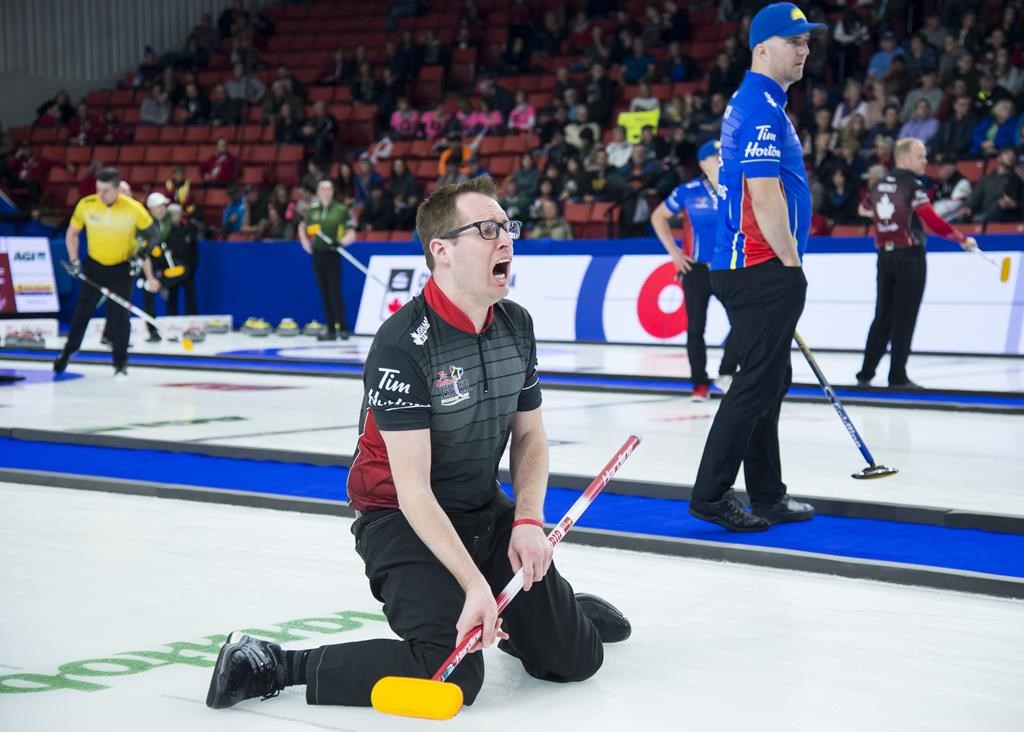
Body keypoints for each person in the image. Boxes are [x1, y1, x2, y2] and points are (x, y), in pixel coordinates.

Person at [206, 176, 630, 711]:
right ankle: (275, 664)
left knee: (577, 661)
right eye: (488, 230)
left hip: (480, 508)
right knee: (449, 671)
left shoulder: (516, 326)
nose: (506, 240)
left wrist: (527, 520)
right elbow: (413, 491)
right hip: (400, 519)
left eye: (508, 228)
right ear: (442, 250)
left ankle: (546, 619)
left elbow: (529, 436)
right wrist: (474, 585)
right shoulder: (402, 345)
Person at [689, 3, 824, 533]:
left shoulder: (759, 102)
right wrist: (790, 264)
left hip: (747, 264)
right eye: (795, 41)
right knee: (757, 383)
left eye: (807, 41)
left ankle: (768, 494)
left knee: (769, 379)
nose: (804, 50)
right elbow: (764, 195)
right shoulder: (761, 107)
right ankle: (711, 494)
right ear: (762, 49)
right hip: (760, 264)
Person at [855, 138, 977, 389]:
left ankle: (865, 373)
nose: (925, 161)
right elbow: (930, 218)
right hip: (909, 255)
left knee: (882, 316)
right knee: (904, 317)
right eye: (920, 156)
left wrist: (885, 220)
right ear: (904, 158)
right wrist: (961, 238)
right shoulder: (913, 185)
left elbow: (863, 209)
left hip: (884, 256)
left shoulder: (878, 184)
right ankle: (897, 376)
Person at [651, 140, 737, 402]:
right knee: (696, 328)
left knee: (743, 322)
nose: (721, 159)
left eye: (723, 155)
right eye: (715, 156)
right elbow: (658, 217)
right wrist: (674, 253)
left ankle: (726, 372)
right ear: (702, 163)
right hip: (696, 269)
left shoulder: (736, 187)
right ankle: (699, 383)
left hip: (728, 268)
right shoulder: (687, 191)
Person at [53, 168, 160, 377]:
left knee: (120, 316)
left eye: (106, 191)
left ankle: (120, 363)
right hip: (94, 267)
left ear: (117, 189)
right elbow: (72, 233)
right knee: (82, 312)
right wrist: (74, 260)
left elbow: (154, 234)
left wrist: (140, 256)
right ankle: (67, 353)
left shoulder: (133, 208)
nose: (101, 195)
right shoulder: (86, 204)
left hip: (121, 269)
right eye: (98, 189)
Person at [298, 179, 355, 341]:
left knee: (335, 291)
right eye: (323, 189)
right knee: (324, 292)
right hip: (318, 254)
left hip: (332, 253)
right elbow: (303, 226)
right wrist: (304, 242)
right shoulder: (312, 210)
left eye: (329, 189)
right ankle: (330, 329)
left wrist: (341, 242)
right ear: (318, 192)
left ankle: (343, 328)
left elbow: (351, 233)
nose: (326, 192)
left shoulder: (340, 210)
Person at [163, 203, 200, 315]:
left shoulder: (189, 229)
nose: (175, 216)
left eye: (177, 213)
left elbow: (194, 249)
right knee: (172, 296)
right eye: (172, 214)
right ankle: (172, 319)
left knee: (191, 295)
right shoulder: (164, 232)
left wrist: (193, 266)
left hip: (188, 268)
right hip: (172, 269)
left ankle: (192, 319)